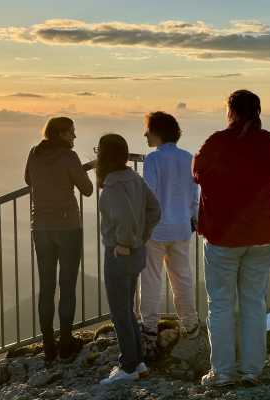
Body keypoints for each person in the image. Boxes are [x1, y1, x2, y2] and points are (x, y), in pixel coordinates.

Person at [193, 90, 270, 387]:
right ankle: (252, 370)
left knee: (221, 304)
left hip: (223, 237)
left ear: (230, 110)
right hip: (262, 235)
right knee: (253, 301)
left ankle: (223, 372)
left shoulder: (218, 141)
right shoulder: (267, 141)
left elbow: (198, 171)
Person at [25, 117, 93, 363]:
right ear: (62, 134)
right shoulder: (69, 157)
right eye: (72, 133)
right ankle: (66, 343)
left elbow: (28, 180)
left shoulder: (35, 152)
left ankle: (48, 347)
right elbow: (86, 189)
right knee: (67, 285)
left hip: (40, 226)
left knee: (46, 286)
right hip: (67, 227)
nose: (74, 137)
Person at [96, 133, 161, 384]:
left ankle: (128, 366)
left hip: (119, 254)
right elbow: (155, 209)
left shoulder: (113, 184)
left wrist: (125, 243)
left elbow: (123, 217)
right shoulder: (134, 176)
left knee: (119, 312)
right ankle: (139, 362)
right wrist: (141, 239)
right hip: (136, 254)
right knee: (127, 309)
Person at [139, 111, 200, 358]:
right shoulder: (188, 158)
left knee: (151, 279)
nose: (145, 134)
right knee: (182, 277)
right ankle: (191, 325)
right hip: (182, 227)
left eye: (148, 130)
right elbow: (194, 194)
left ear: (158, 132)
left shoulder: (153, 160)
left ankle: (150, 332)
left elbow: (149, 195)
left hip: (156, 229)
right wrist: (193, 218)